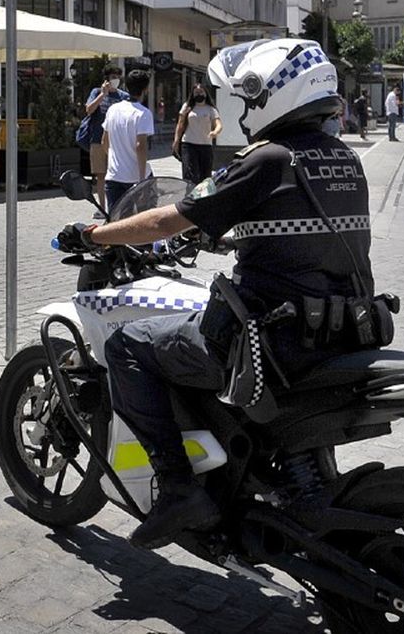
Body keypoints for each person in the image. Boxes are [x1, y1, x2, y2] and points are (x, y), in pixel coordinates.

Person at [57, 38, 373, 549]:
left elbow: (164, 219)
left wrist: (93, 234)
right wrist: (225, 234)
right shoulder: (344, 159)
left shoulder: (268, 160)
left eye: (249, 100)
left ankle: (180, 489)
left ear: (274, 94)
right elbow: (296, 230)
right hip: (341, 331)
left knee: (128, 346)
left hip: (271, 341)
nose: (246, 112)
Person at [101, 69, 154, 213]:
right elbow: (140, 146)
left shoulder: (113, 110)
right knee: (143, 220)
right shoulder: (143, 114)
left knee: (116, 222)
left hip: (114, 175)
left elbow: (104, 142)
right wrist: (142, 180)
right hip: (134, 176)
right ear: (146, 89)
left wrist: (116, 158)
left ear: (126, 87)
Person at [82, 65, 129, 213]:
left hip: (117, 142)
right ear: (107, 79)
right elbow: (89, 110)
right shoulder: (96, 92)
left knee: (116, 175)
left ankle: (117, 206)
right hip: (97, 139)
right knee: (101, 175)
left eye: (117, 76)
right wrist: (103, 94)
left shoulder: (123, 96)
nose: (115, 79)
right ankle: (102, 208)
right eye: (112, 77)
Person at [172, 83, 222, 188]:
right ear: (192, 94)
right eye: (196, 92)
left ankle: (203, 200)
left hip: (205, 146)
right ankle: (189, 198)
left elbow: (218, 124)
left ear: (205, 93)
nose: (199, 94)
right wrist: (176, 141)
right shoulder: (187, 107)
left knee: (205, 177)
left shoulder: (210, 109)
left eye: (201, 92)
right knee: (190, 175)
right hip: (189, 144)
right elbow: (180, 124)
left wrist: (215, 132)